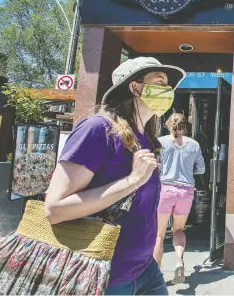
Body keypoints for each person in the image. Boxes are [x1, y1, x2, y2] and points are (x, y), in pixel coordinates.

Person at [44, 57, 185, 295]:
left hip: (144, 269)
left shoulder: (147, 138)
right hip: (104, 274)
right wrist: (132, 181)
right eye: (160, 81)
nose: (168, 90)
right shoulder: (97, 129)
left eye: (169, 85)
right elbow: (55, 209)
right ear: (135, 87)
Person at [153, 113, 205, 284]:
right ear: (185, 126)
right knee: (179, 230)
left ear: (168, 124)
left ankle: (155, 276)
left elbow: (155, 164)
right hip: (186, 191)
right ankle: (179, 261)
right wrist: (188, 171)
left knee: (159, 235)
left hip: (166, 190)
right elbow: (202, 169)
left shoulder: (161, 143)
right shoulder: (194, 145)